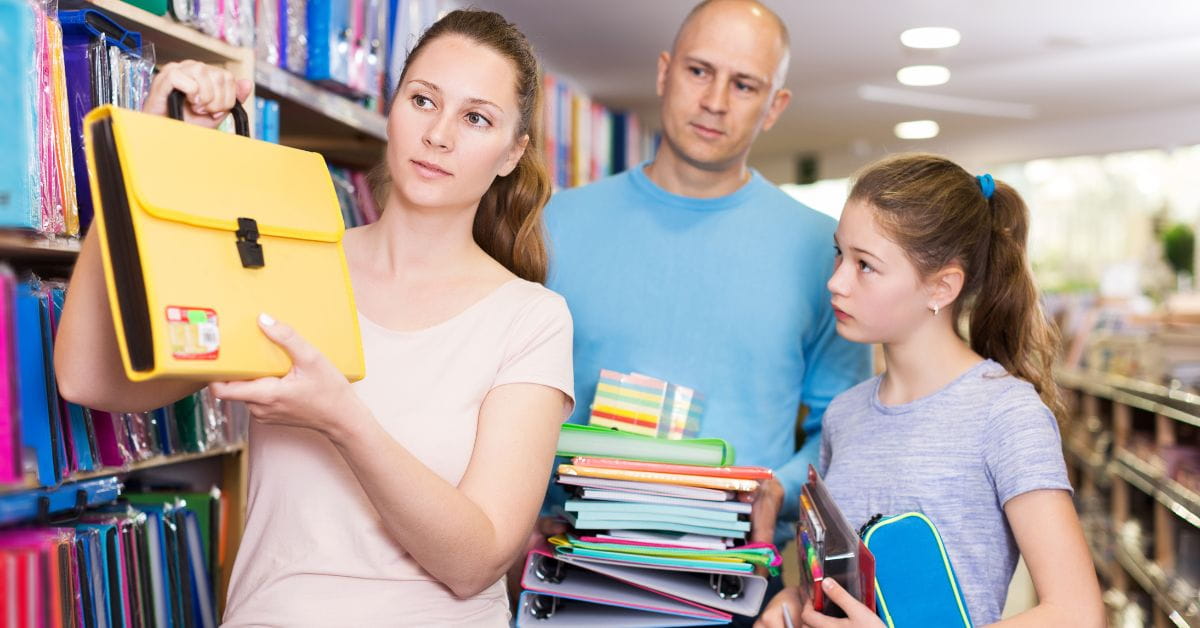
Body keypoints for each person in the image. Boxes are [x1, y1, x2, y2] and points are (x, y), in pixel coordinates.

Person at [55, 9, 575, 626]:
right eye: (423, 100)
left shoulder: (532, 318)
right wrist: (142, 150)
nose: (438, 134)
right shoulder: (287, 263)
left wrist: (343, 419)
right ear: (393, 106)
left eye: (476, 118)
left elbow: (474, 561)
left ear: (512, 153)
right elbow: (88, 381)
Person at [534, 0, 870, 566]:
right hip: (565, 567)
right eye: (699, 71)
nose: (714, 102)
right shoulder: (552, 227)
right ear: (665, 73)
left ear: (774, 107)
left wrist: (777, 488)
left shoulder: (824, 251)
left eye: (744, 85)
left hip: (732, 579)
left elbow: (842, 428)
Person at [755, 154, 1105, 627]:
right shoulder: (845, 414)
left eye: (866, 266)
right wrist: (791, 603)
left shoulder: (1005, 413)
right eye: (840, 254)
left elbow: (1078, 614)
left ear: (941, 287)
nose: (836, 282)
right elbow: (839, 583)